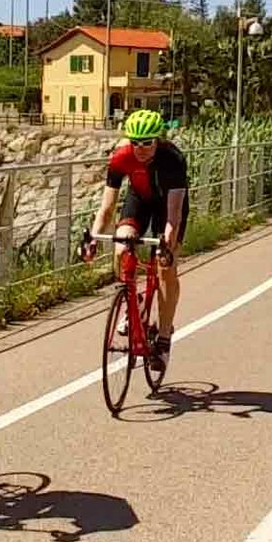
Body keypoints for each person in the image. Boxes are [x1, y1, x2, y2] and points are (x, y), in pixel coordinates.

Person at [83, 108, 189, 373]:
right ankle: (133, 300)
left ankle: (163, 338)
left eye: (147, 143)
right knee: (121, 247)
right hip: (139, 200)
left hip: (168, 206)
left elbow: (173, 216)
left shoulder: (172, 160)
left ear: (158, 140)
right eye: (136, 143)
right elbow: (107, 208)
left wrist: (166, 245)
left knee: (166, 267)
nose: (141, 149)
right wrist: (94, 237)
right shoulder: (121, 158)